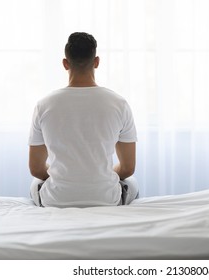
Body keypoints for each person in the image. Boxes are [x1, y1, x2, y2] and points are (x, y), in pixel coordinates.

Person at [28, 32, 139, 208]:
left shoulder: (44, 105)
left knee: (35, 183)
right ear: (96, 62)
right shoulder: (119, 104)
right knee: (132, 182)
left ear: (65, 63)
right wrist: (97, 175)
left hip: (57, 199)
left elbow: (36, 169)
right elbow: (127, 169)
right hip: (105, 199)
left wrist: (67, 178)